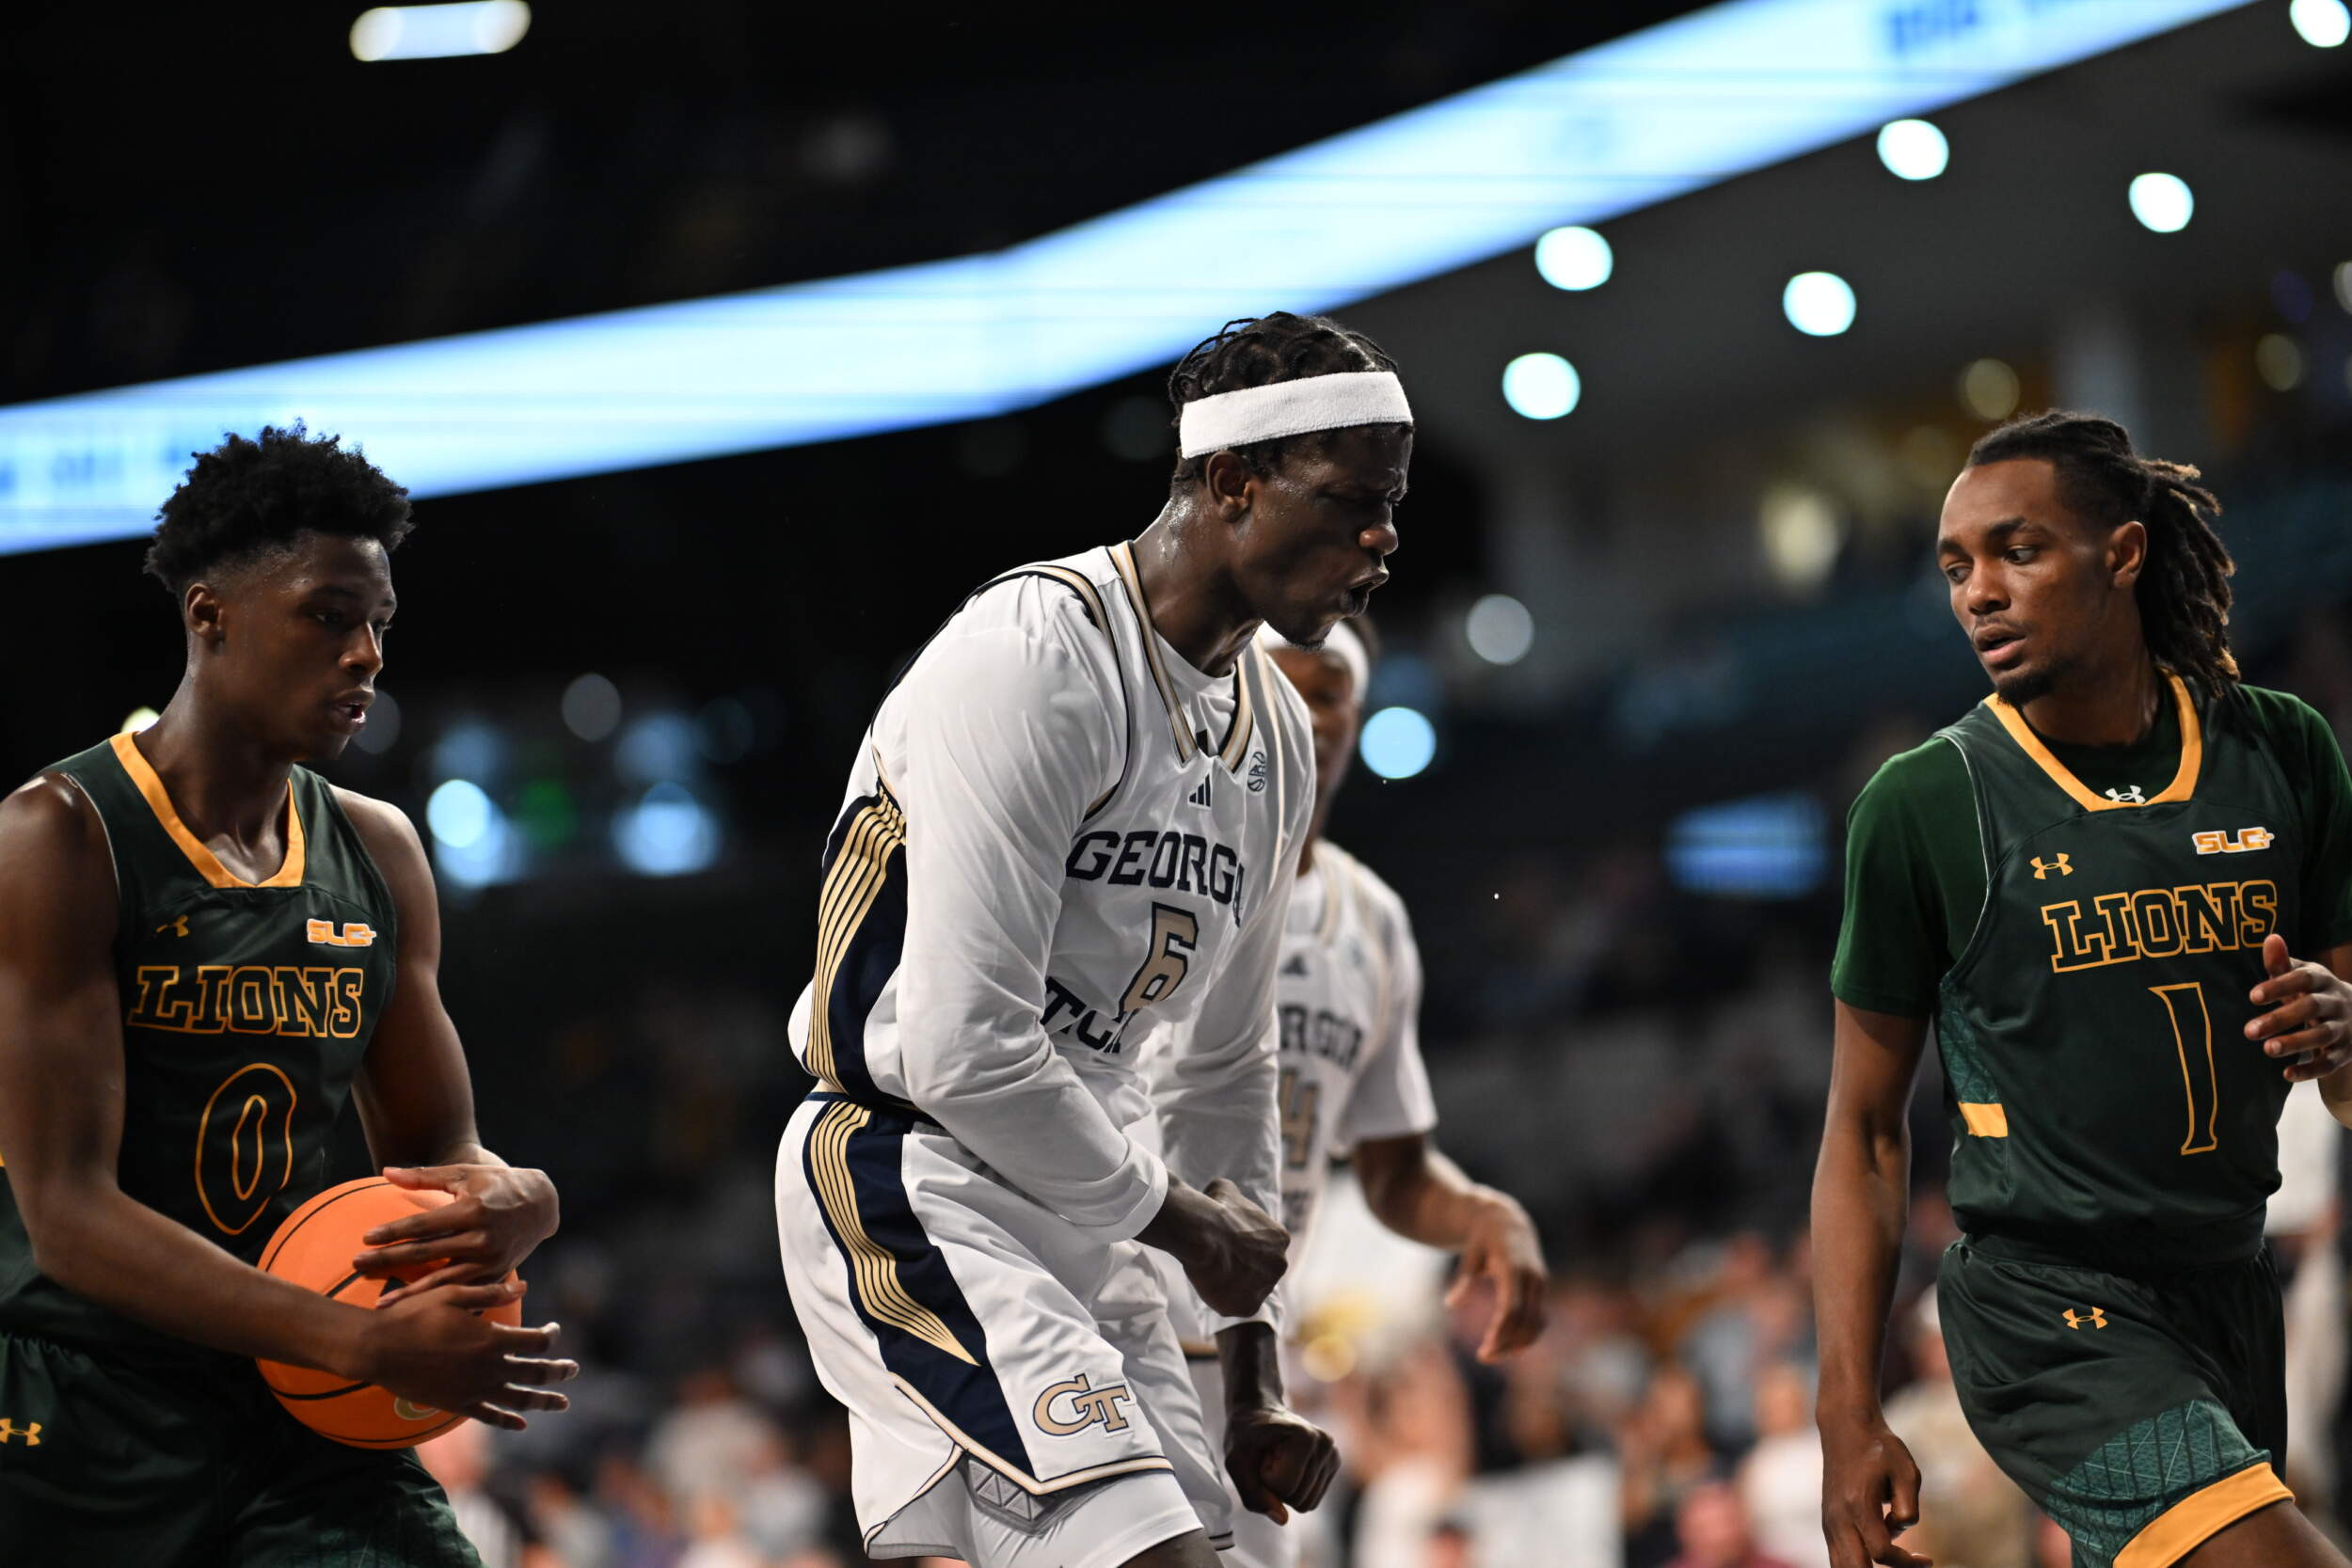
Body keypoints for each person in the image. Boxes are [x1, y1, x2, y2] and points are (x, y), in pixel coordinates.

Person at [771, 312, 1410, 1568]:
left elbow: (1225, 1073)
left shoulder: (1276, 738)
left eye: (1392, 508)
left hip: (1104, 1207)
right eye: (1352, 502)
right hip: (916, 1174)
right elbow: (962, 1047)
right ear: (1232, 481)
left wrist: (1254, 1375)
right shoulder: (1034, 653)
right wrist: (1188, 1227)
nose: (1382, 540)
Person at [0, 426, 578, 1563]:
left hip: (301, 1391)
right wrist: (353, 1341)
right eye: (328, 615)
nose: (366, 654)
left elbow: (437, 1144)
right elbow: (66, 1212)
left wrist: (522, 1198)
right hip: (85, 1403)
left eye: (380, 622)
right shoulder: (60, 833)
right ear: (208, 614)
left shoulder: (379, 849)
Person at [1813, 411, 2352, 1568]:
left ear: (2122, 553)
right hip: (2048, 1310)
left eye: (2017, 551)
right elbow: (1863, 1130)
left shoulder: (2282, 750)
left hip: (2231, 1281)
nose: (1978, 592)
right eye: (1955, 567)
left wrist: (2344, 1032)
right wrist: (1844, 1410)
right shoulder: (1923, 802)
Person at [1147, 611, 1549, 1568]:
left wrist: (1483, 1212)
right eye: (1274, 686)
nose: (1301, 713)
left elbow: (1392, 1167)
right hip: (1122, 1328)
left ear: (1355, 717)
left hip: (1257, 1365)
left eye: (1325, 691)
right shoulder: (1155, 866)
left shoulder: (1371, 918)